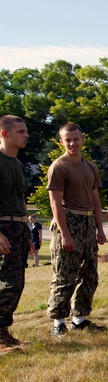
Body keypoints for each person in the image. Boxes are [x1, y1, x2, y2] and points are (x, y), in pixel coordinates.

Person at [47, 123, 107, 337]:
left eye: (75, 139)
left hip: (87, 223)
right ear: (61, 142)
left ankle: (79, 319)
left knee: (90, 274)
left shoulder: (90, 167)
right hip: (68, 221)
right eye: (67, 140)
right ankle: (58, 322)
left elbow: (95, 200)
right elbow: (55, 204)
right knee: (65, 274)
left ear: (83, 140)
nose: (72, 143)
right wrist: (65, 234)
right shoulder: (59, 167)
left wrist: (100, 229)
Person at [0, 116, 30, 352]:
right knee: (8, 282)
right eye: (20, 132)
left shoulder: (18, 164)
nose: (26, 135)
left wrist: (27, 232)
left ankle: (4, 332)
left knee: (17, 282)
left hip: (19, 227)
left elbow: (20, 200)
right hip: (3, 229)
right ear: (4, 134)